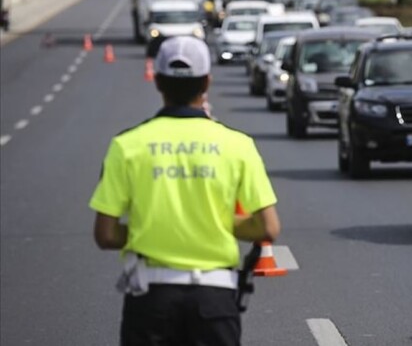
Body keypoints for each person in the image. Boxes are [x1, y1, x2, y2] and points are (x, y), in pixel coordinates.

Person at [90, 36, 281, 346]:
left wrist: (152, 229)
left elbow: (106, 234)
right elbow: (268, 227)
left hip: (150, 299)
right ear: (206, 82)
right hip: (215, 300)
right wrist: (211, 224)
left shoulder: (126, 146)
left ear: (158, 81)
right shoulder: (238, 145)